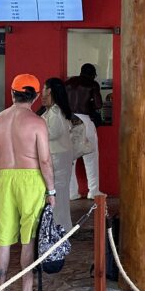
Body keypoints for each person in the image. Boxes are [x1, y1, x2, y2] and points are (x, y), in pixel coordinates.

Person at [0, 74, 55, 291]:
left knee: (2, 240)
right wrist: (52, 190)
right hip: (31, 179)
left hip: (4, 178)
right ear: (35, 96)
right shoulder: (37, 122)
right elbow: (45, 160)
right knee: (29, 239)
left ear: (12, 93)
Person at [39, 78, 76, 228]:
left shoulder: (55, 113)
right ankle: (59, 226)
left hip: (56, 158)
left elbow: (52, 133)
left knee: (57, 195)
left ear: (49, 91)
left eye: (43, 88)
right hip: (59, 157)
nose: (41, 92)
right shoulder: (53, 111)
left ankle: (59, 227)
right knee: (58, 194)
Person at [65, 63, 103, 200]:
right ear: (92, 74)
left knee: (70, 160)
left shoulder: (68, 83)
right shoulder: (92, 84)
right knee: (91, 157)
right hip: (85, 120)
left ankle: (72, 192)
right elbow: (99, 104)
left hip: (68, 121)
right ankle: (93, 191)